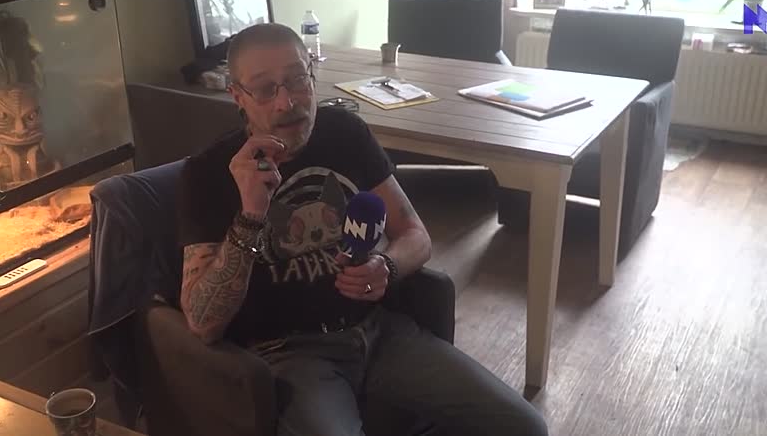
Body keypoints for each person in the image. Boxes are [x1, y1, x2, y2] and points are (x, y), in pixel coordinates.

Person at [177, 23, 549, 436]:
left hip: (382, 333)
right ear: (238, 97)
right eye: (265, 89)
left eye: (297, 79)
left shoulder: (344, 133)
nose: (287, 102)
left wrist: (386, 266)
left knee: (524, 427)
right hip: (291, 356)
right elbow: (203, 322)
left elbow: (415, 234)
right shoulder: (209, 173)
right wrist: (250, 215)